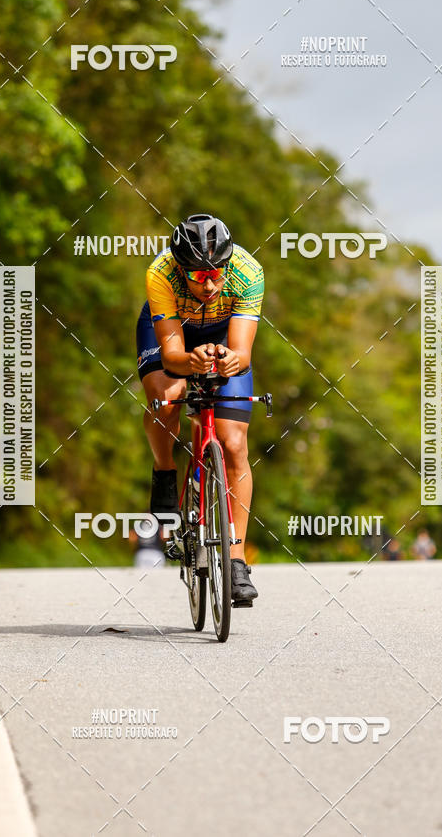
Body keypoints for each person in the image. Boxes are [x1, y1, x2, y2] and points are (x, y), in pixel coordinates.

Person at [136, 213, 264, 605]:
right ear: (180, 268)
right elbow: (173, 355)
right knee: (169, 396)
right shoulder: (161, 273)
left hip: (223, 334)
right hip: (174, 336)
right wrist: (191, 362)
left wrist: (231, 361)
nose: (209, 284)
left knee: (233, 443)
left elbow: (242, 352)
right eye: (198, 276)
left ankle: (237, 560)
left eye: (216, 274)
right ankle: (164, 471)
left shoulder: (247, 270)